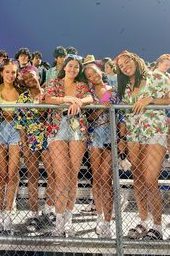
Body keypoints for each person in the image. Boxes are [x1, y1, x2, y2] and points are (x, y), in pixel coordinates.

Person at [116, 51, 170, 240]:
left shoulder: (156, 76)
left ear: (135, 59)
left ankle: (157, 226)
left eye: (126, 61)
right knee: (138, 179)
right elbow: (118, 110)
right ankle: (144, 222)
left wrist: (152, 100)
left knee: (150, 179)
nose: (125, 66)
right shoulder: (125, 87)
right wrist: (122, 139)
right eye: (121, 66)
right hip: (133, 134)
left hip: (155, 130)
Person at [45, 54, 93, 236]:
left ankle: (68, 221)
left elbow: (90, 98)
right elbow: (47, 98)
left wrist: (79, 101)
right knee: (62, 176)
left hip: (77, 129)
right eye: (70, 66)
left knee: (73, 176)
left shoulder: (81, 86)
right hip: (57, 128)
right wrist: (68, 99)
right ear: (64, 67)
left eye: (76, 67)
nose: (72, 69)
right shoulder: (54, 82)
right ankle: (58, 223)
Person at [82, 61, 120, 238]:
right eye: (89, 75)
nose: (94, 76)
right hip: (94, 138)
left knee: (107, 179)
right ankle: (98, 218)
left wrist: (122, 140)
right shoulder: (86, 93)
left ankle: (107, 221)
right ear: (87, 79)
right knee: (97, 179)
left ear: (100, 71)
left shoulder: (112, 90)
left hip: (110, 137)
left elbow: (120, 116)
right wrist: (99, 108)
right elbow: (86, 116)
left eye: (95, 72)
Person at [16, 66, 55, 230]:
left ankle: (48, 209)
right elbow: (21, 124)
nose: (30, 80)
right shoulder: (23, 99)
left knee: (53, 174)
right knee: (32, 176)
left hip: (48, 138)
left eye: (32, 76)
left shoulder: (49, 92)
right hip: (31, 138)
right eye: (26, 79)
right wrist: (24, 145)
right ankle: (33, 213)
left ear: (38, 75)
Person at [0, 59, 21, 232]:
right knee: (1, 175)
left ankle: (8, 214)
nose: (11, 75)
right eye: (8, 72)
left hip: (16, 131)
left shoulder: (20, 91)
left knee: (13, 174)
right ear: (2, 73)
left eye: (14, 72)